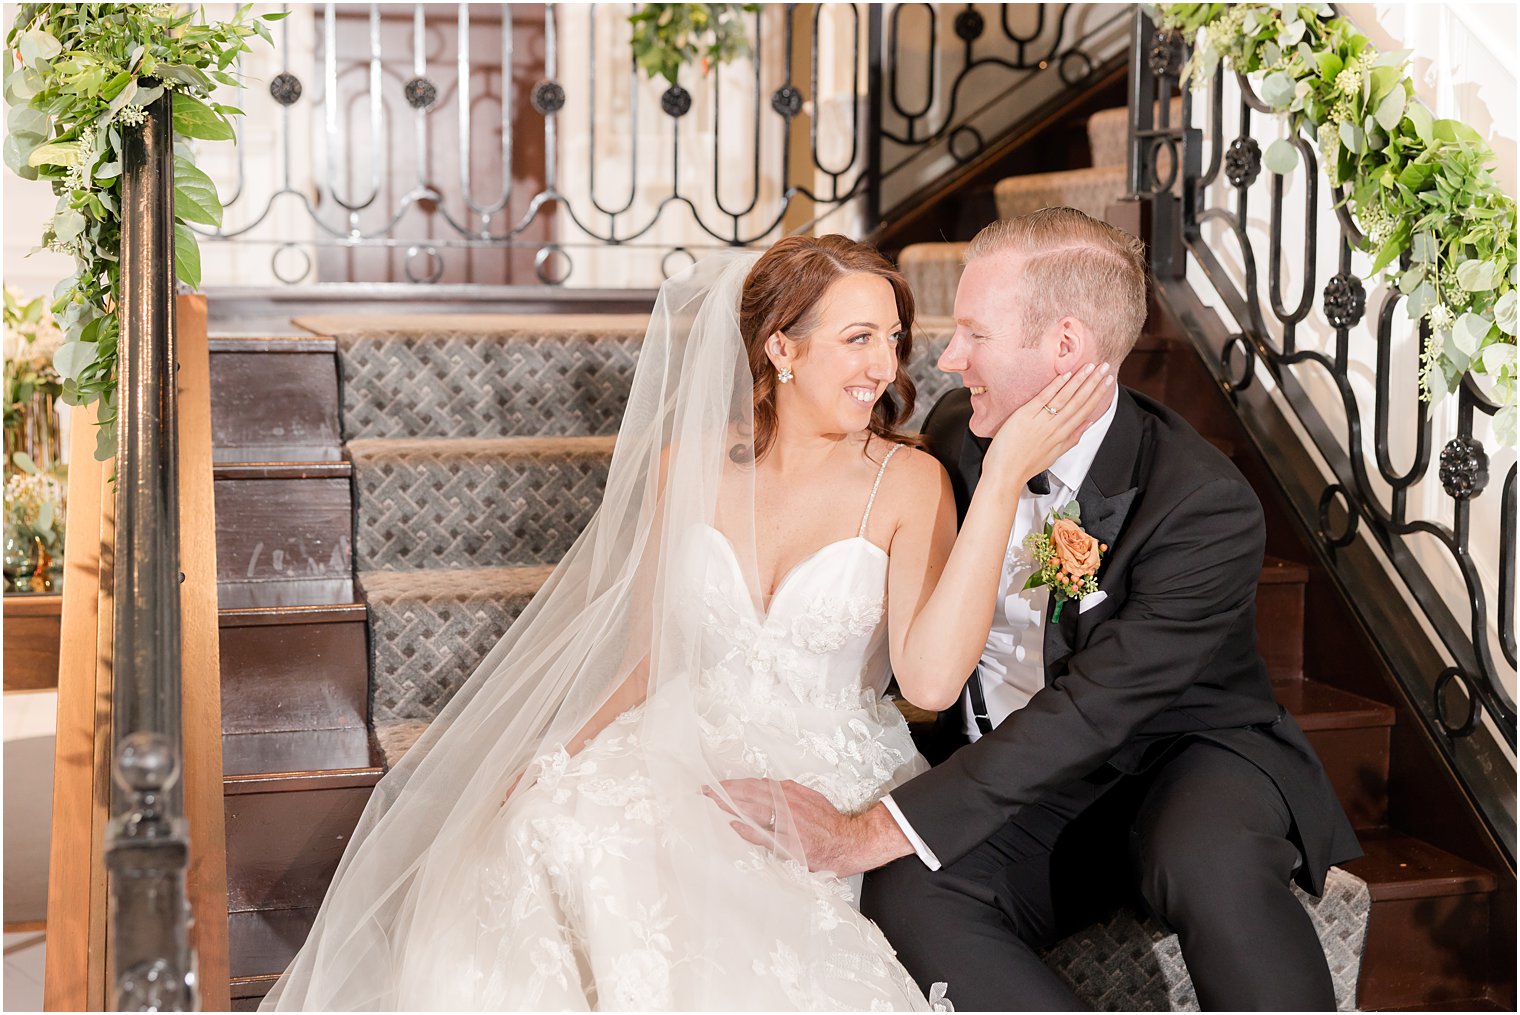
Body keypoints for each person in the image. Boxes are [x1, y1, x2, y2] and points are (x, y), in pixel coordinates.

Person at [262, 234, 1111, 1011]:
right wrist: (553, 753)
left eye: (893, 338)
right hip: (683, 732)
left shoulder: (910, 481)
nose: (885, 365)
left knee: (689, 886)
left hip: (823, 765)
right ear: (781, 347)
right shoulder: (686, 464)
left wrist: (999, 483)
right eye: (857, 337)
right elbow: (648, 655)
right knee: (554, 822)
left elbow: (929, 681)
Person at [717, 209, 1362, 1011]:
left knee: (1205, 856)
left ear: (1063, 347)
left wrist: (865, 827)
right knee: (905, 893)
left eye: (974, 335)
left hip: (1180, 753)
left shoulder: (1201, 505)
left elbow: (1094, 712)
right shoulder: (960, 432)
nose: (948, 361)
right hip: (1020, 775)